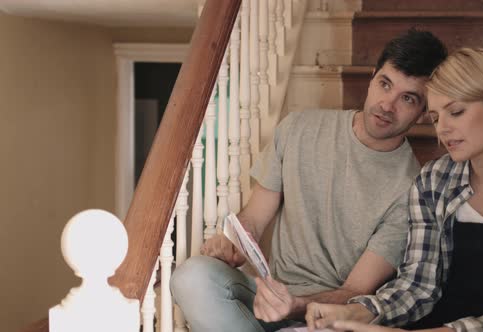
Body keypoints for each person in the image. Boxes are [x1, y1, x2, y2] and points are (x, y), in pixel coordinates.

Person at [170, 29, 447, 332]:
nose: (387, 105)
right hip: (267, 293)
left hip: (326, 317)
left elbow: (355, 292)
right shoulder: (298, 128)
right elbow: (253, 218)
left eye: (407, 98)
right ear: (372, 78)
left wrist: (296, 306)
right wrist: (232, 246)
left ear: (423, 112)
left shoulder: (412, 190)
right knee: (192, 276)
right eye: (385, 84)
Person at [305, 48, 483, 332]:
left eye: (456, 112)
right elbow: (417, 285)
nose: (443, 129)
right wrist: (355, 314)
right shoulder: (433, 180)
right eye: (436, 117)